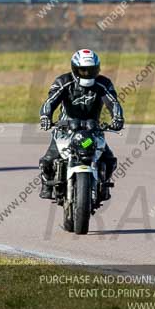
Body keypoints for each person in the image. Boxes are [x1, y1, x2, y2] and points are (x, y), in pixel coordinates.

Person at [38, 49, 123, 200]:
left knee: (109, 160)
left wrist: (117, 118)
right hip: (66, 129)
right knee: (48, 161)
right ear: (74, 68)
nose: (86, 74)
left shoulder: (103, 84)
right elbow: (50, 102)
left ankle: (103, 185)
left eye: (91, 70)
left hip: (92, 131)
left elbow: (113, 102)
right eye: (83, 70)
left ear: (97, 69)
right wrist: (45, 116)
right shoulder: (63, 82)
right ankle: (47, 185)